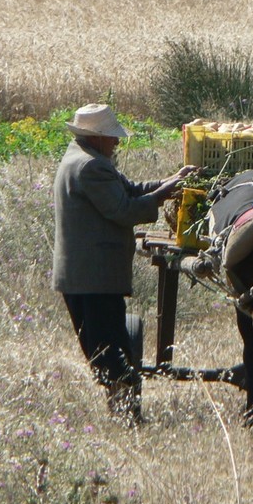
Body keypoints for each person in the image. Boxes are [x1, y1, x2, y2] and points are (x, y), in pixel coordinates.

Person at [52, 103, 196, 423]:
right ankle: (128, 420)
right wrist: (163, 194)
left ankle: (124, 414)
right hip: (94, 278)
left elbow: (129, 190)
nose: (117, 142)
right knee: (109, 353)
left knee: (104, 348)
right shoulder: (92, 167)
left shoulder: (85, 158)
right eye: (113, 137)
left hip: (85, 277)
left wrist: (168, 183)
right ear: (99, 137)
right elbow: (124, 210)